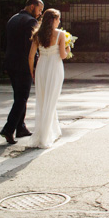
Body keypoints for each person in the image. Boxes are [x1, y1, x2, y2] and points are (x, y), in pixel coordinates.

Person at [0, 0, 44, 145]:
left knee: (18, 95)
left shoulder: (13, 19)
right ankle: (9, 128)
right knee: (22, 98)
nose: (39, 13)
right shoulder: (31, 22)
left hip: (10, 62)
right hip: (23, 64)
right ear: (32, 7)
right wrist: (34, 64)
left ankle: (21, 127)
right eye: (39, 10)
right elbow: (30, 46)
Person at [28, 8, 67, 149]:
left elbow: (31, 56)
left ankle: (50, 130)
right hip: (55, 68)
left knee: (43, 100)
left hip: (41, 67)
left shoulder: (38, 35)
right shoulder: (60, 35)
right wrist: (68, 49)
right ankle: (45, 136)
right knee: (52, 100)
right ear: (54, 20)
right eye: (58, 19)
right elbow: (63, 55)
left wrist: (32, 71)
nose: (59, 21)